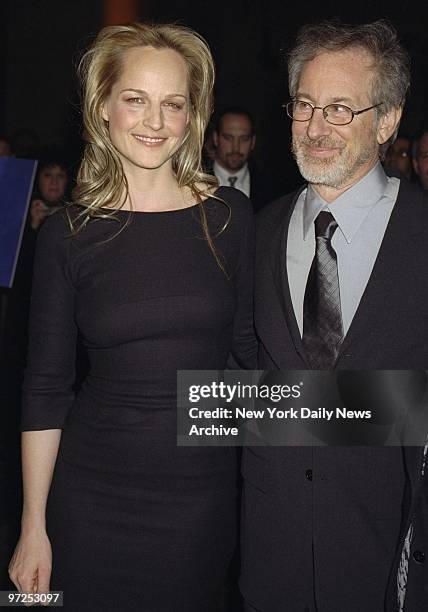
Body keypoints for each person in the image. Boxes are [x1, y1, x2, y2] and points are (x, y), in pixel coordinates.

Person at [9, 22, 255, 611]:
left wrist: (378, 412)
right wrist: (31, 526)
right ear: (103, 107)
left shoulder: (231, 218)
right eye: (135, 100)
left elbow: (250, 359)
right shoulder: (67, 234)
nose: (154, 122)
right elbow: (45, 388)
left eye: (173, 104)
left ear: (192, 115)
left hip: (199, 502)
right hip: (88, 498)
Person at [241, 20, 428, 612]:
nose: (315, 128)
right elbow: (234, 388)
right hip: (271, 561)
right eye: (304, 104)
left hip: (390, 567)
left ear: (389, 120)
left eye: (341, 109)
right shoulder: (257, 231)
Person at [211, 107, 273, 212]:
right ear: (216, 138)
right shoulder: (193, 182)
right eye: (228, 138)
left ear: (253, 142)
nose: (236, 147)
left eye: (244, 139)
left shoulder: (270, 187)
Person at [29, 157, 69, 230]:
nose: (54, 182)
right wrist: (34, 225)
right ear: (38, 180)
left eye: (60, 176)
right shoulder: (23, 212)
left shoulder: (77, 213)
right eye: (48, 175)